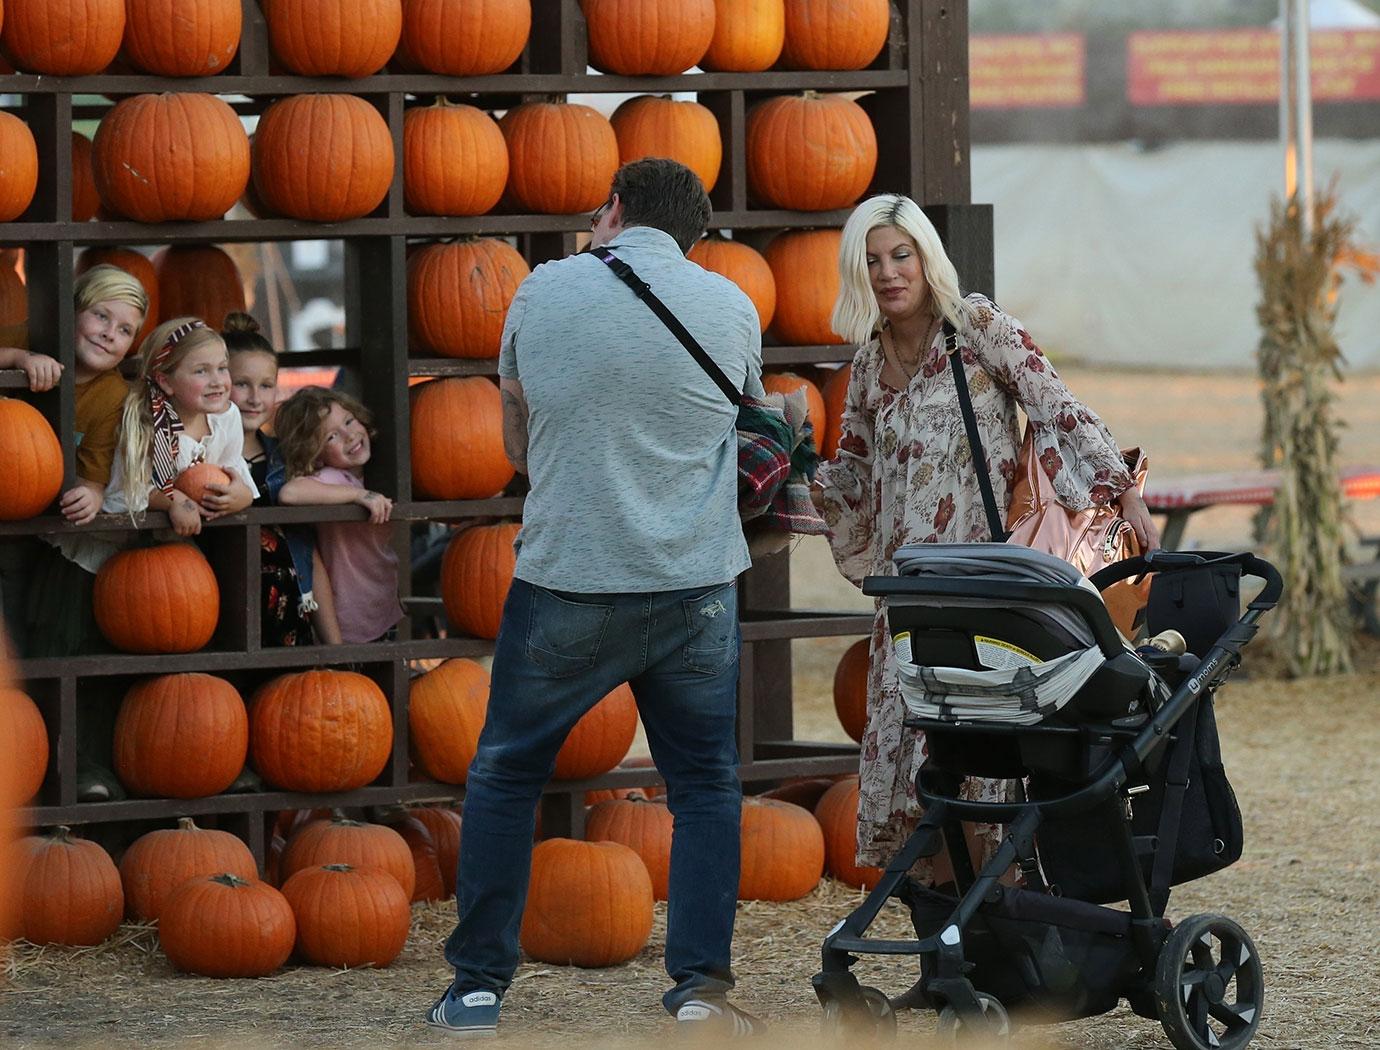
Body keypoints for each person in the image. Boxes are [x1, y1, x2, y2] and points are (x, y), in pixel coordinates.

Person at [428, 158, 765, 1037]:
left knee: (506, 773)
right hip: (695, 583)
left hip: (572, 577)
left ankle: (476, 989)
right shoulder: (731, 305)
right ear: (693, 234)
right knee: (703, 786)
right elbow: (741, 431)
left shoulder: (542, 291)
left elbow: (519, 437)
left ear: (613, 209)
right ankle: (700, 992)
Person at [812, 193, 1160, 883]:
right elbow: (853, 472)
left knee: (984, 771)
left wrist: (1122, 491)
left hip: (985, 589)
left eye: (901, 255)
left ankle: (1000, 942)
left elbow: (1054, 404)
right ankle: (946, 957)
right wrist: (794, 477)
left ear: (925, 256)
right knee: (919, 780)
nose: (889, 273)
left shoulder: (975, 328)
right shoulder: (865, 365)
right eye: (873, 261)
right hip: (909, 598)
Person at [13, 265, 149, 658]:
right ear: (70, 312)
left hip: (35, 522)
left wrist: (90, 493)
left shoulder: (112, 398)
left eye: (125, 330)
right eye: (101, 315)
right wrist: (21, 358)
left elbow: (94, 471)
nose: (110, 333)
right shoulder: (34, 337)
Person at [223, 313, 341, 646]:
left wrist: (335, 647)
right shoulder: (203, 460)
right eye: (241, 383)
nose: (254, 397)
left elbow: (308, 554)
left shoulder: (285, 460)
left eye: (266, 385)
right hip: (217, 616)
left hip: (284, 620)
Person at [272, 386, 401, 645]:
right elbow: (290, 492)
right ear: (315, 456)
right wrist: (356, 496)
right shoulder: (332, 479)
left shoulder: (369, 474)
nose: (349, 435)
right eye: (331, 436)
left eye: (349, 421)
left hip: (377, 606)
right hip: (349, 615)